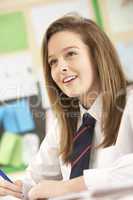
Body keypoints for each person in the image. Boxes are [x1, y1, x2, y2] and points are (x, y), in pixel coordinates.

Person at [0, 13, 133, 200]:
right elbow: (36, 180)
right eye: (53, 61)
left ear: (97, 55)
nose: (60, 67)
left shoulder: (130, 102)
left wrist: (70, 186)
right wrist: (17, 189)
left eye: (70, 54)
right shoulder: (65, 123)